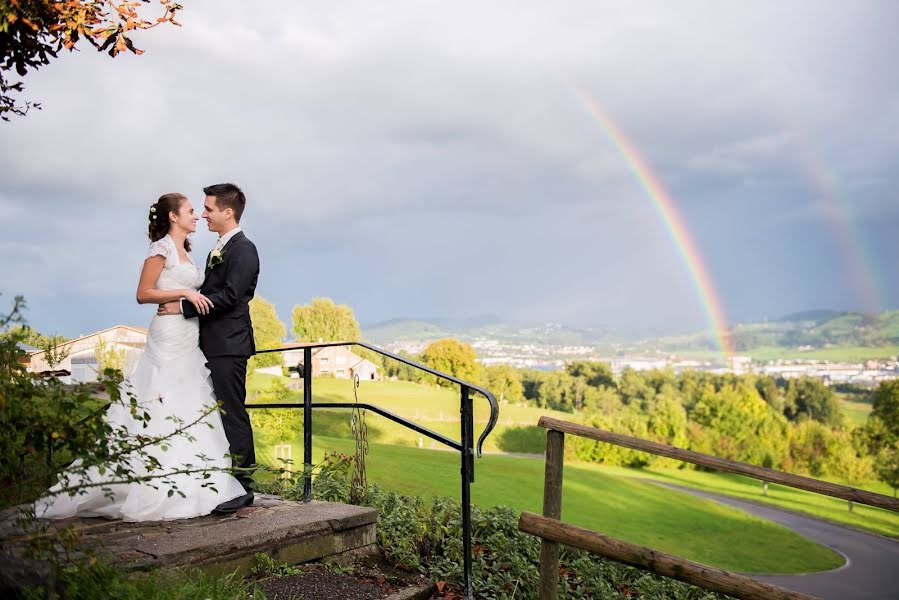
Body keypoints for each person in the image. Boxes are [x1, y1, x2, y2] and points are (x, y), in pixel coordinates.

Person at [35, 193, 247, 521]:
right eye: (191, 211)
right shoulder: (160, 248)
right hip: (167, 334)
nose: (196, 216)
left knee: (190, 401)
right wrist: (184, 292)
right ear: (174, 217)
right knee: (159, 398)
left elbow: (208, 295)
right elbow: (143, 293)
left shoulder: (189, 253)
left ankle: (194, 480)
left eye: (199, 210)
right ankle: (150, 483)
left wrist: (190, 297)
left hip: (189, 336)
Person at [157, 183, 259, 514]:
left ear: (227, 212)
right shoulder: (221, 247)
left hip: (229, 345)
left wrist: (181, 308)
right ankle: (222, 481)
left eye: (209, 209)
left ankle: (243, 486)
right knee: (217, 413)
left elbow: (230, 297)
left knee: (232, 412)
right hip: (211, 344)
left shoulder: (244, 249)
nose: (204, 214)